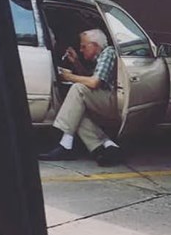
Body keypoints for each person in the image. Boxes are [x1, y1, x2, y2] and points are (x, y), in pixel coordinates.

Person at [38, 28, 122, 166]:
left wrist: (70, 77)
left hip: (113, 101)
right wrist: (76, 61)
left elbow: (94, 83)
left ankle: (64, 138)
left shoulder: (108, 53)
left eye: (83, 46)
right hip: (103, 100)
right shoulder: (99, 57)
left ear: (94, 45)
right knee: (76, 113)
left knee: (77, 88)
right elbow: (90, 78)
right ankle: (106, 146)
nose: (81, 50)